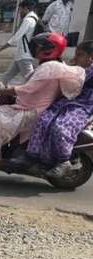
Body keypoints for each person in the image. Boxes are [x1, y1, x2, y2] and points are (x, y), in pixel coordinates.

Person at [0, 32, 83, 165]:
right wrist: (6, 87)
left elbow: (27, 89)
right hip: (35, 107)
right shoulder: (55, 64)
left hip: (29, 110)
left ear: (49, 49)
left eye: (40, 47)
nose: (36, 49)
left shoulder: (49, 67)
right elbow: (32, 85)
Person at [27, 41, 93, 176]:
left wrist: (62, 67)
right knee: (42, 119)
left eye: (80, 55)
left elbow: (76, 78)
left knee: (61, 128)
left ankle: (64, 162)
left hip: (83, 107)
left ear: (91, 57)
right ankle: (33, 157)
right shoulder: (78, 67)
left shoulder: (88, 70)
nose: (76, 58)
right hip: (66, 102)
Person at [0, 0, 40, 85]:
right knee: (6, 77)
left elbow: (15, 37)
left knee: (31, 81)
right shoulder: (34, 18)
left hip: (24, 56)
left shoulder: (28, 20)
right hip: (21, 56)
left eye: (20, 10)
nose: (19, 13)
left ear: (25, 8)